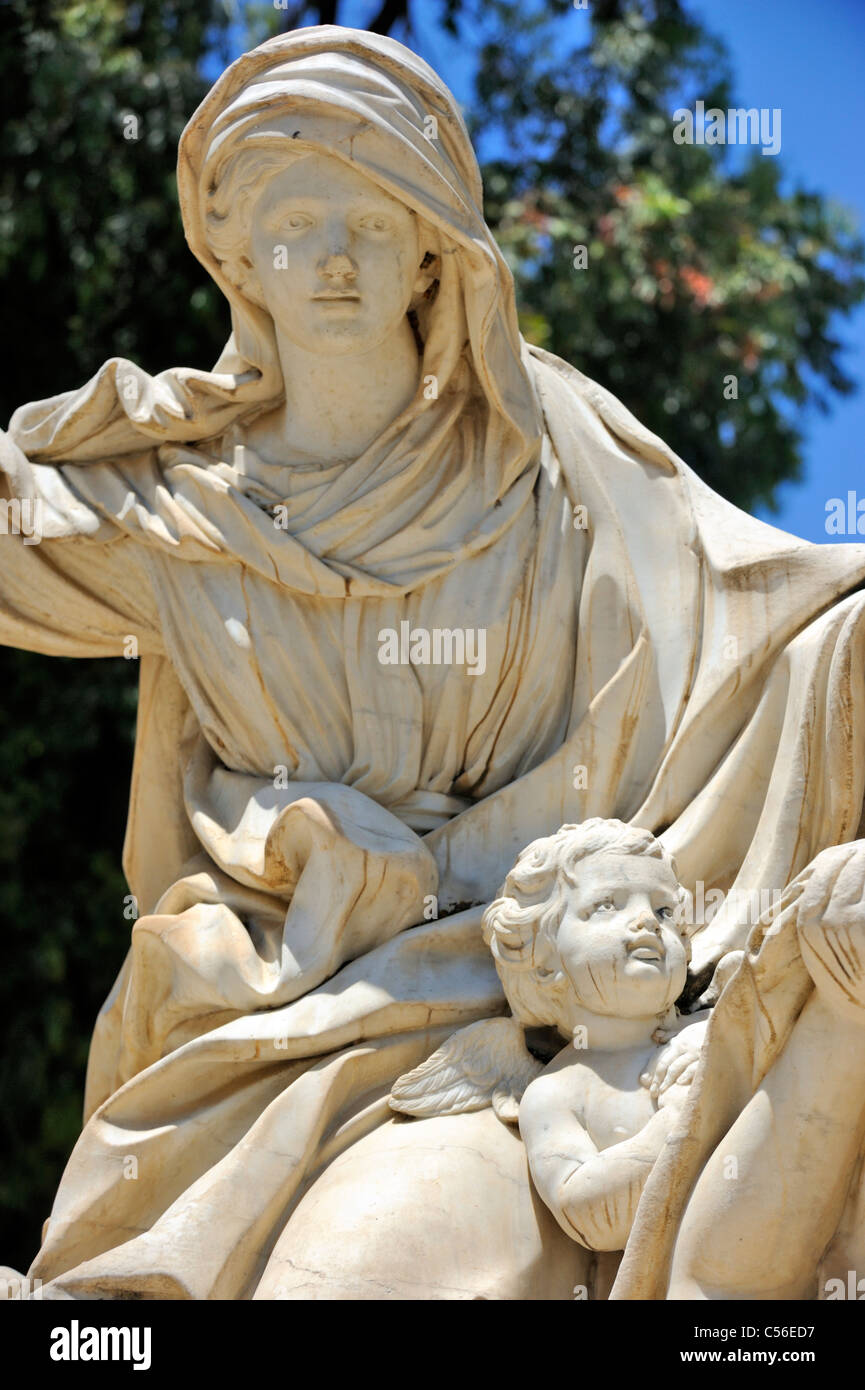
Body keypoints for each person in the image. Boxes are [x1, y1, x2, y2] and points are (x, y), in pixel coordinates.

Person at [3, 26, 865, 1299]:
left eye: (373, 215)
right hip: (253, 1008)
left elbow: (771, 619)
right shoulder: (173, 511)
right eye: (296, 221)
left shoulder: (552, 457)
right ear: (237, 251)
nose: (334, 257)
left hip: (497, 1012)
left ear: (429, 247)